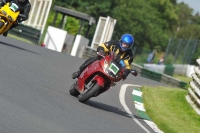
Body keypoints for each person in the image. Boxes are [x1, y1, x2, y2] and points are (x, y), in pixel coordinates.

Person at [72, 33, 137, 80]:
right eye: (124, 44)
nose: (125, 46)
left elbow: (127, 66)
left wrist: (125, 73)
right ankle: (79, 72)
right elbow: (103, 46)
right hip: (105, 59)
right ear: (121, 42)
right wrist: (101, 51)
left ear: (130, 46)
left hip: (115, 68)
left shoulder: (129, 55)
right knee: (96, 58)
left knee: (115, 80)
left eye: (127, 45)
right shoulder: (114, 43)